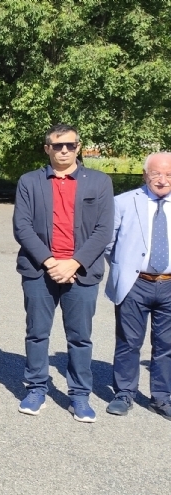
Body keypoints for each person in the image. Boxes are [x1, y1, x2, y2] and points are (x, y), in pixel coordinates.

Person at [13, 123, 113, 422]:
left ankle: (79, 395)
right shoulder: (30, 182)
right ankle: (36, 389)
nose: (64, 150)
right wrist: (51, 262)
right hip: (39, 271)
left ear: (78, 147)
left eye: (70, 145)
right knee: (37, 334)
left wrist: (74, 262)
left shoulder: (99, 182)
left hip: (82, 272)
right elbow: (22, 227)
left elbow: (103, 230)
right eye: (57, 146)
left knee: (80, 337)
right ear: (47, 149)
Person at [104, 152, 171, 419]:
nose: (162, 180)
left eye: (168, 175)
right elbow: (109, 244)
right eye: (156, 174)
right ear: (145, 174)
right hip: (136, 283)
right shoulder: (123, 202)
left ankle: (162, 397)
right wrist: (124, 269)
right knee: (129, 342)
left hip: (169, 285)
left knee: (167, 344)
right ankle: (124, 393)